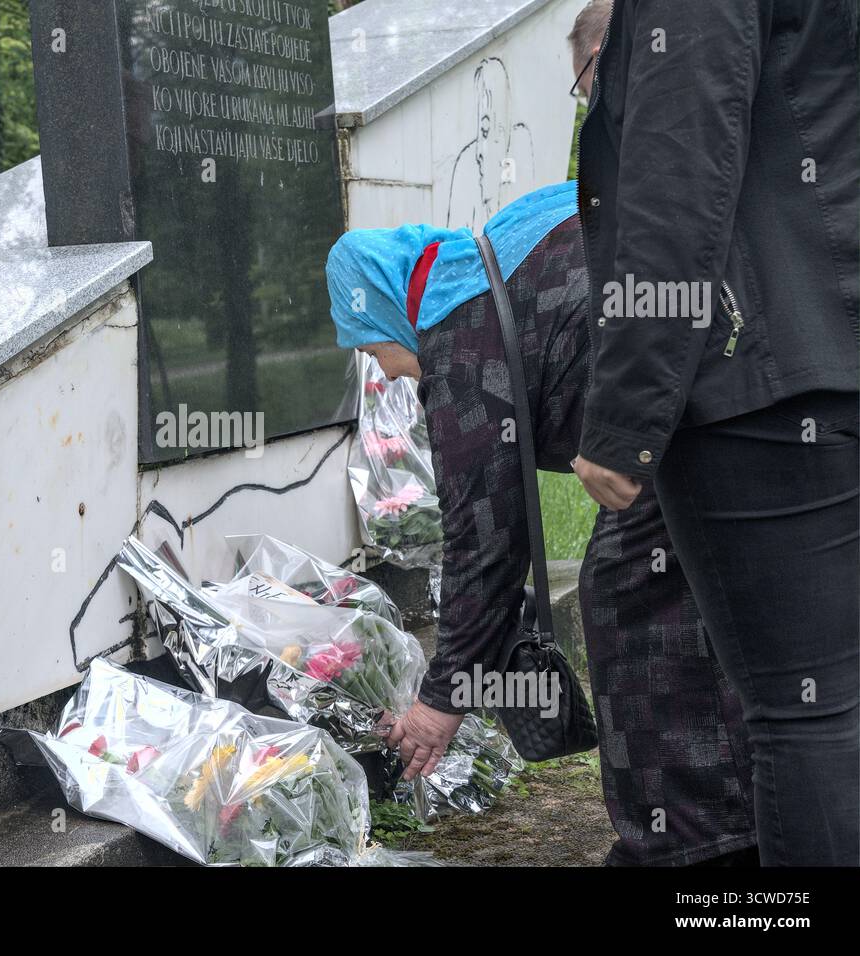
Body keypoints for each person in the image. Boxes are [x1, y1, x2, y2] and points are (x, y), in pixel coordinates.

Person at [325, 179, 757, 865]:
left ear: (387, 314)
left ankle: (691, 843)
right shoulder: (495, 254)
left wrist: (439, 704)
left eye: (377, 353)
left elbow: (486, 543)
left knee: (628, 598)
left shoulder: (458, 336)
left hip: (708, 404)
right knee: (694, 601)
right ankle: (744, 811)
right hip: (743, 374)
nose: (396, 376)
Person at [571, 1, 859, 865]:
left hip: (762, 381)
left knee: (809, 717)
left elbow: (678, 170)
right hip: (825, 339)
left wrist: (625, 418)